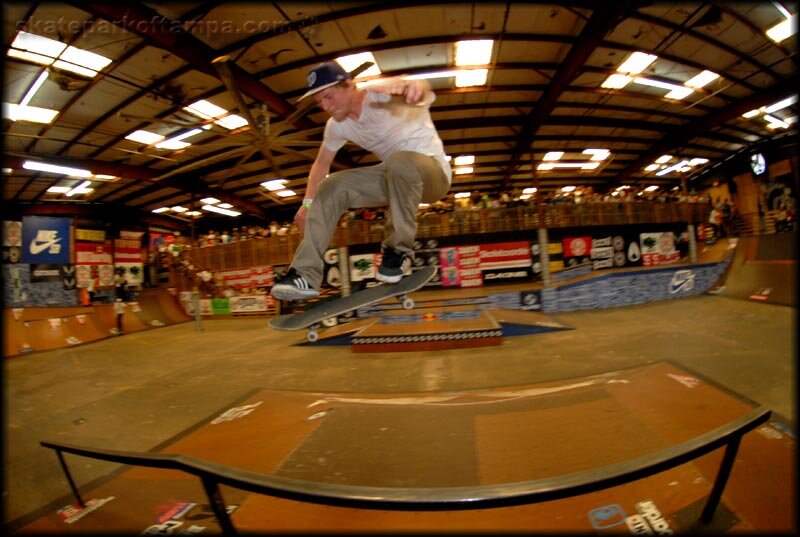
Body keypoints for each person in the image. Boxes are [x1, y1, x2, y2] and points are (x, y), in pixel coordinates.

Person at [271, 61, 451, 300]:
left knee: (399, 162)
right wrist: (307, 205)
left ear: (349, 85)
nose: (326, 107)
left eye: (329, 97)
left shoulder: (382, 95)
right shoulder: (336, 126)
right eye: (319, 102)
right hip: (394, 178)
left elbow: (421, 91)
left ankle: (398, 252)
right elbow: (321, 164)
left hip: (432, 174)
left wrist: (413, 85)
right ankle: (305, 275)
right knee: (332, 185)